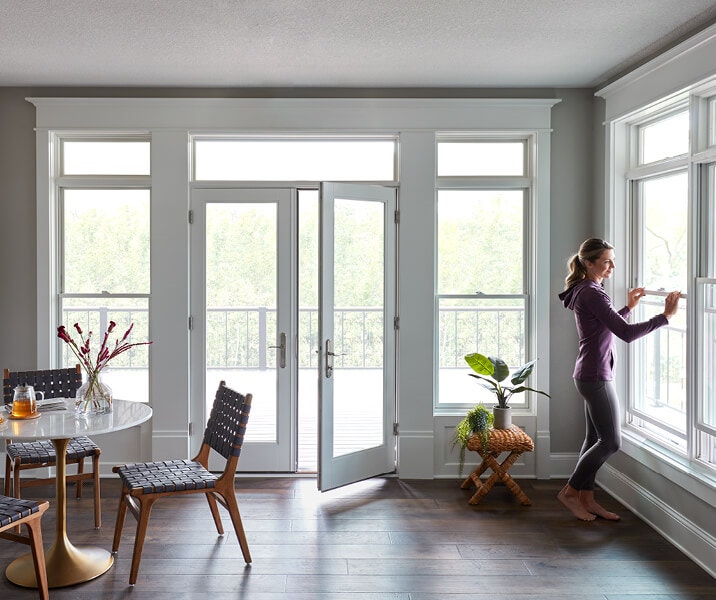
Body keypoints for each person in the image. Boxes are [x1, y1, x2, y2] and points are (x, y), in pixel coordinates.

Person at [557, 238, 681, 521]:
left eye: (613, 259)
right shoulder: (592, 292)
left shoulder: (587, 289)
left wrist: (628, 308)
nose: (612, 265)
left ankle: (587, 498)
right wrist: (665, 316)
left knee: (593, 439)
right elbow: (625, 334)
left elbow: (604, 326)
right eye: (606, 261)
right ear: (589, 263)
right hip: (595, 376)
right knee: (611, 441)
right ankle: (569, 492)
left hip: (589, 373)